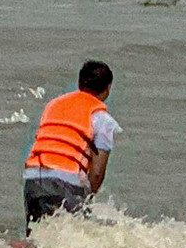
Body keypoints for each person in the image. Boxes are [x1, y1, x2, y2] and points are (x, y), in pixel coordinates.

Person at [21, 59, 120, 228]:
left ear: (80, 83)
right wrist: (86, 200)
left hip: (33, 179)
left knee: (38, 238)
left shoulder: (53, 106)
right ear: (108, 88)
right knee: (79, 234)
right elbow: (96, 174)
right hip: (65, 183)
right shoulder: (103, 120)